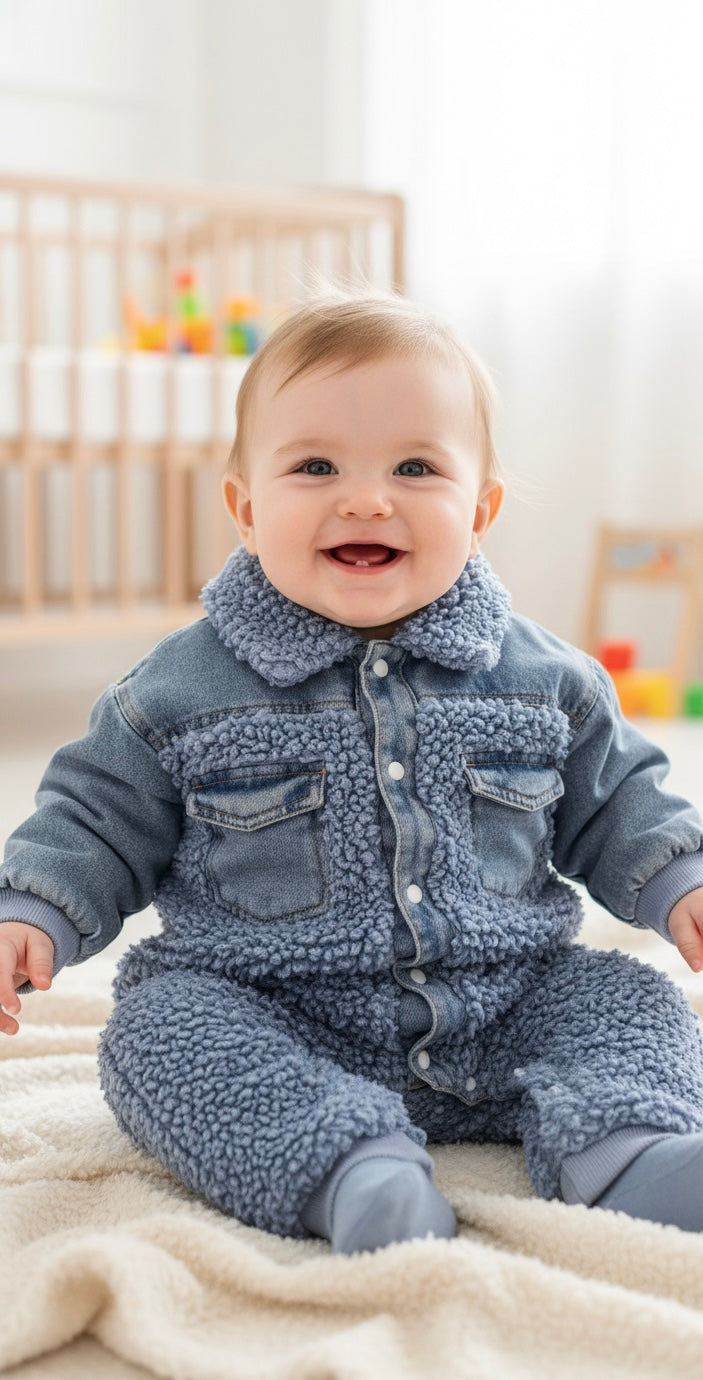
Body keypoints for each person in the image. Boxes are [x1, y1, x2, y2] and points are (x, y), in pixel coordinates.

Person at [2, 289, 703, 1255]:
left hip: (505, 999)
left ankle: (629, 1151)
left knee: (628, 1001)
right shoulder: (178, 691)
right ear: (247, 511)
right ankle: (349, 1172)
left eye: (415, 467)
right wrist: (34, 911)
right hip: (272, 1010)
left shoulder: (546, 680)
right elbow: (94, 818)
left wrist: (677, 879)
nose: (366, 499)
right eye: (315, 466)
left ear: (479, 511)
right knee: (156, 1034)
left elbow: (618, 799)